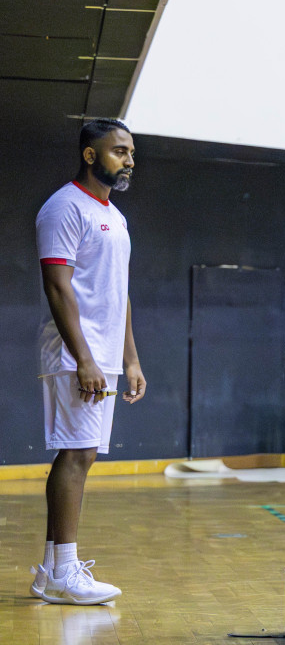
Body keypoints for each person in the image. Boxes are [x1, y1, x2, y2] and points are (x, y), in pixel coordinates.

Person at [33, 119, 147, 606]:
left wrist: (132, 359)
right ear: (90, 155)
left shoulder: (115, 217)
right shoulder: (63, 208)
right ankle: (63, 572)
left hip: (104, 355)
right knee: (76, 453)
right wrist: (83, 358)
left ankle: (50, 572)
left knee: (84, 454)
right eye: (119, 151)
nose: (128, 161)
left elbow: (117, 295)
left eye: (131, 153)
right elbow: (58, 287)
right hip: (75, 354)